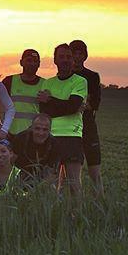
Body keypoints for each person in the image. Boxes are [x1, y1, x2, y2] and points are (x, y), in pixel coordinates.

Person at [37, 43, 88, 197]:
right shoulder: (48, 83)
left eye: (68, 57)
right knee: (50, 184)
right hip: (50, 137)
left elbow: (72, 107)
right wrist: (68, 107)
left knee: (74, 185)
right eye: (61, 57)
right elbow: (45, 112)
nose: (65, 60)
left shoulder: (80, 81)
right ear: (55, 60)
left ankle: (77, 218)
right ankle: (53, 217)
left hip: (72, 137)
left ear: (73, 60)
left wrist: (52, 100)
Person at [70, 39, 103, 194]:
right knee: (69, 172)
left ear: (85, 56)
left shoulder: (92, 76)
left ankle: (100, 203)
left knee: (94, 168)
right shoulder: (64, 76)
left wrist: (72, 105)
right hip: (68, 128)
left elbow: (94, 103)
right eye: (74, 53)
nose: (77, 57)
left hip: (88, 125)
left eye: (80, 53)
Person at [2, 49, 43, 137]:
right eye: (29, 60)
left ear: (39, 64)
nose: (32, 64)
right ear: (21, 62)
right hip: (10, 134)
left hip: (33, 136)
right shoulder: (9, 81)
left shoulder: (45, 84)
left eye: (35, 61)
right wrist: (2, 128)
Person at [12, 114, 61, 188]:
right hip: (20, 176)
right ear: (31, 128)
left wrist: (38, 190)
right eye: (37, 129)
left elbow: (52, 174)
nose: (41, 133)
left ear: (50, 130)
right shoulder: (20, 138)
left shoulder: (54, 144)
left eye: (45, 129)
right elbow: (11, 163)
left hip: (42, 179)